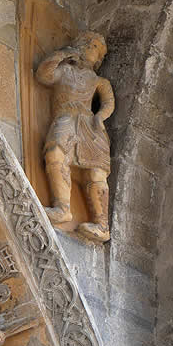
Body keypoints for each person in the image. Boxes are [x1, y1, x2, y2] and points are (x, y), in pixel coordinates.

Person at [36, 31, 114, 242]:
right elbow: (43, 74)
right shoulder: (65, 71)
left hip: (90, 125)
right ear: (81, 44)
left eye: (97, 49)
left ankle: (102, 224)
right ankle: (62, 208)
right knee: (54, 154)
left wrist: (100, 117)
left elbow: (108, 101)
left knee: (96, 172)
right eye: (91, 44)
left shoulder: (99, 81)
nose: (93, 50)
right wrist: (62, 54)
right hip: (66, 118)